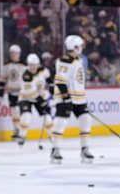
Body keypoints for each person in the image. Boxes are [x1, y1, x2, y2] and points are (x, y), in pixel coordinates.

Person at [50, 35, 93, 164]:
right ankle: (55, 149)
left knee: (85, 120)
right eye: (79, 46)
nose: (81, 48)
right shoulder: (65, 61)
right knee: (61, 122)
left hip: (79, 98)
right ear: (74, 47)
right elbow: (60, 80)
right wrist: (65, 96)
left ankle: (85, 149)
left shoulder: (77, 60)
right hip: (67, 98)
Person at [16, 53, 52, 146]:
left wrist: (51, 85)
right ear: (28, 65)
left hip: (39, 97)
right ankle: (22, 136)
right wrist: (42, 101)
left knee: (47, 116)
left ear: (38, 64)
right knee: (26, 116)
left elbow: (48, 78)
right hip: (25, 97)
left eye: (35, 65)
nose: (33, 67)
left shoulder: (44, 70)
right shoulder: (25, 75)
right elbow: (31, 93)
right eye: (31, 65)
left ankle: (52, 136)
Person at [0, 44, 26, 140]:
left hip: (22, 92)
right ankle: (16, 130)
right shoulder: (6, 66)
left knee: (20, 111)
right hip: (11, 91)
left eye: (15, 53)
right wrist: (0, 89)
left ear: (19, 54)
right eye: (12, 53)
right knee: (14, 111)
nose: (14, 55)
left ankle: (22, 130)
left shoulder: (24, 65)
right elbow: (3, 78)